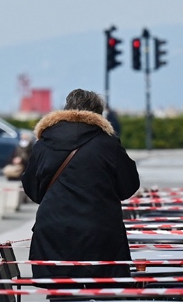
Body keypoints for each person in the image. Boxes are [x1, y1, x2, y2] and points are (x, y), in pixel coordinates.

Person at [22, 89, 139, 279]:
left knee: (59, 294)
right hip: (101, 234)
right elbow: (129, 186)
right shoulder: (108, 144)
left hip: (54, 232)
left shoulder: (43, 144)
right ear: (98, 114)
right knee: (103, 296)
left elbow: (33, 191)